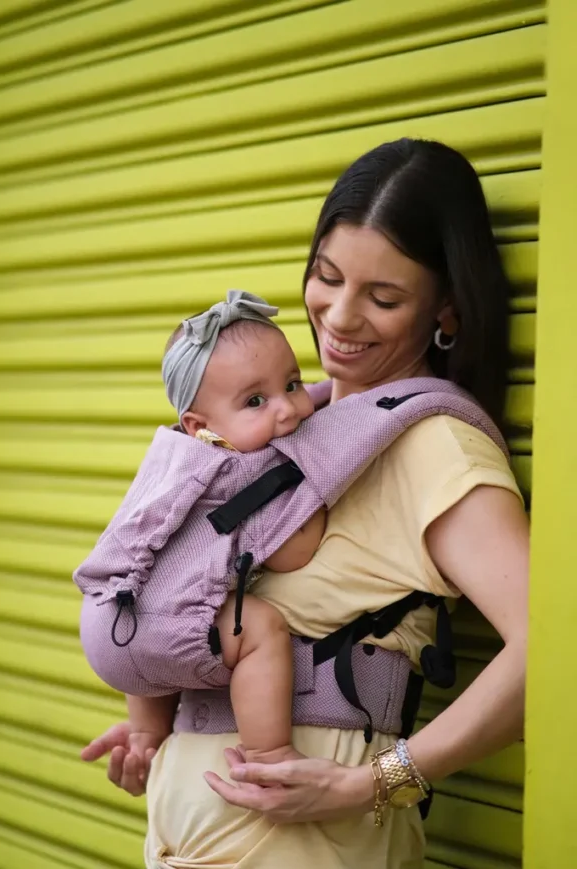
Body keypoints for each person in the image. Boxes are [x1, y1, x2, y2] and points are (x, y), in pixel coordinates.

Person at [81, 138, 528, 869]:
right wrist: (154, 729)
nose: (341, 317)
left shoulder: (432, 445)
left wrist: (373, 784)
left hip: (313, 842)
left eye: (383, 298)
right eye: (327, 278)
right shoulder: (283, 433)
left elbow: (551, 647)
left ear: (445, 311)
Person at [120, 295, 326, 769]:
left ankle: (146, 736)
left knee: (152, 623)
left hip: (123, 626)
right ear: (200, 427)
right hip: (160, 624)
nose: (288, 410)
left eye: (293, 384)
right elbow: (290, 555)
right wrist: (315, 498)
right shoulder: (241, 472)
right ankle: (267, 754)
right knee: (260, 628)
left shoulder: (172, 463)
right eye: (255, 401)